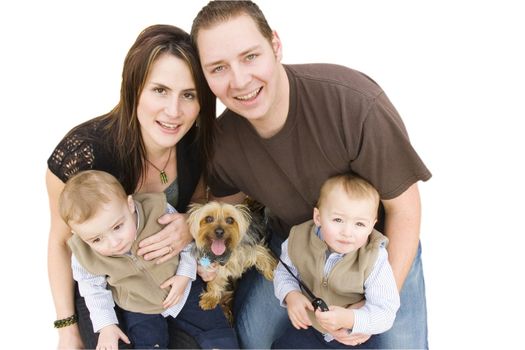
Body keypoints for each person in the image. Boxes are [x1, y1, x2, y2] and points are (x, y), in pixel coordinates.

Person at [191, 1, 432, 348]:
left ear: (275, 45)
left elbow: (405, 210)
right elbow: (224, 218)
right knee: (248, 336)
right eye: (218, 68)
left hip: (373, 249)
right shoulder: (222, 142)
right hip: (293, 247)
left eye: (250, 56)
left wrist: (375, 305)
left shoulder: (353, 105)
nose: (240, 80)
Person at [46, 24, 215, 349]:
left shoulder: (196, 143)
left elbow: (197, 204)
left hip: (168, 276)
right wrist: (67, 330)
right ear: (133, 88)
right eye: (160, 90)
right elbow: (61, 243)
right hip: (106, 288)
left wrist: (189, 226)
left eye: (189, 95)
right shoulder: (83, 153)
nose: (173, 111)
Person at [59, 170, 238, 349]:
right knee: (147, 342)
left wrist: (185, 275)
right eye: (96, 240)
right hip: (138, 307)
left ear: (130, 205)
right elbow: (92, 290)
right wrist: (107, 325)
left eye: (117, 227)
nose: (113, 243)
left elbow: (187, 242)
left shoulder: (156, 211)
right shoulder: (84, 254)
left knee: (216, 332)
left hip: (183, 289)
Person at [272, 174, 400, 348]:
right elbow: (283, 273)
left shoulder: (374, 257)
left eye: (360, 224)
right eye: (338, 220)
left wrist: (350, 319)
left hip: (353, 337)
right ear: (318, 217)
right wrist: (291, 295)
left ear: (372, 225)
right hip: (310, 328)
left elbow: (385, 311)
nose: (347, 232)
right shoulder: (298, 239)